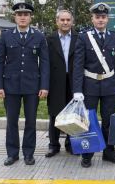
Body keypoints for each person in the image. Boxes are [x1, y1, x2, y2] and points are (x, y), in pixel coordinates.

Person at [0, 1, 49, 166]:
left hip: (32, 86)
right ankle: (12, 154)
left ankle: (28, 154)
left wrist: (44, 86)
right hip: (10, 86)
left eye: (26, 14)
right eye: (19, 15)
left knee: (30, 121)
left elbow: (45, 63)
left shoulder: (39, 36)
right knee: (12, 121)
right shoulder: (5, 35)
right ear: (15, 17)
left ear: (30, 17)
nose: (23, 17)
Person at [73, 2, 115, 168]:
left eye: (103, 17)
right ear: (92, 19)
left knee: (108, 121)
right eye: (97, 17)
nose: (101, 20)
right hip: (89, 86)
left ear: (107, 19)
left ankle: (108, 153)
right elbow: (78, 65)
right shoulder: (84, 37)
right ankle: (87, 154)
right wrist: (77, 90)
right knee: (89, 121)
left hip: (109, 86)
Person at [45, 10, 78, 157]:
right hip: (55, 81)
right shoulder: (49, 39)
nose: (65, 23)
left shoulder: (79, 38)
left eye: (68, 20)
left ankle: (71, 144)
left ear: (72, 22)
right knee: (55, 114)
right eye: (62, 20)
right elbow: (45, 64)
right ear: (57, 21)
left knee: (73, 113)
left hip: (73, 81)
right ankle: (53, 145)